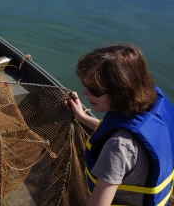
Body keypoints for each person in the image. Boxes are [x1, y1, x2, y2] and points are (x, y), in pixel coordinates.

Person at [65, 44, 174, 206]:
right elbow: (127, 132)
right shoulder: (154, 104)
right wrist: (82, 117)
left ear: (121, 91)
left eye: (95, 90)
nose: (85, 93)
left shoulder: (117, 147)